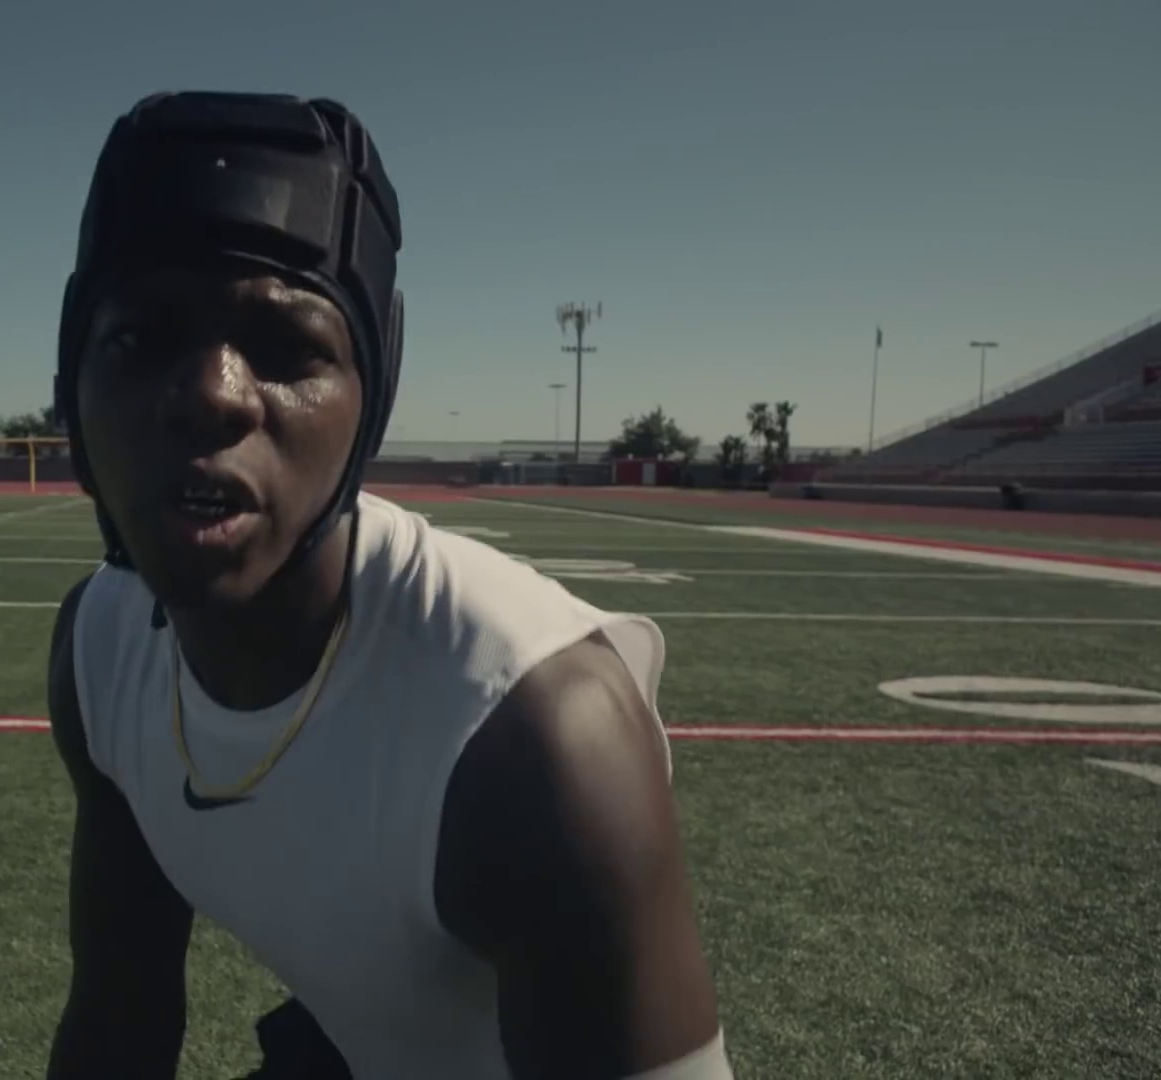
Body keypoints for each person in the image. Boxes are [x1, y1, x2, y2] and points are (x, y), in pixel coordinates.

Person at [44, 90, 731, 1080]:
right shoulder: (100, 652)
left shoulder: (534, 735)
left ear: (371, 396)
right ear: (71, 382)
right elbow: (120, 1016)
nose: (211, 394)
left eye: (286, 347)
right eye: (139, 337)